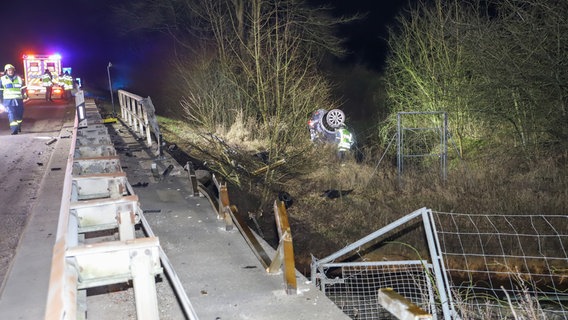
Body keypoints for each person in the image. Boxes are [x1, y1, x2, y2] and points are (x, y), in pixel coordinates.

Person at [0, 64, 25, 135]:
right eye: (9, 70)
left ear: (14, 70)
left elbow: (23, 88)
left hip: (18, 100)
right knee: (11, 114)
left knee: (19, 115)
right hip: (8, 100)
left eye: (11, 70)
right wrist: (1, 101)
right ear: (6, 71)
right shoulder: (2, 79)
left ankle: (18, 126)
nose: (10, 71)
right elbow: (0, 91)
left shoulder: (19, 78)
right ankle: (14, 130)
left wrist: (25, 95)